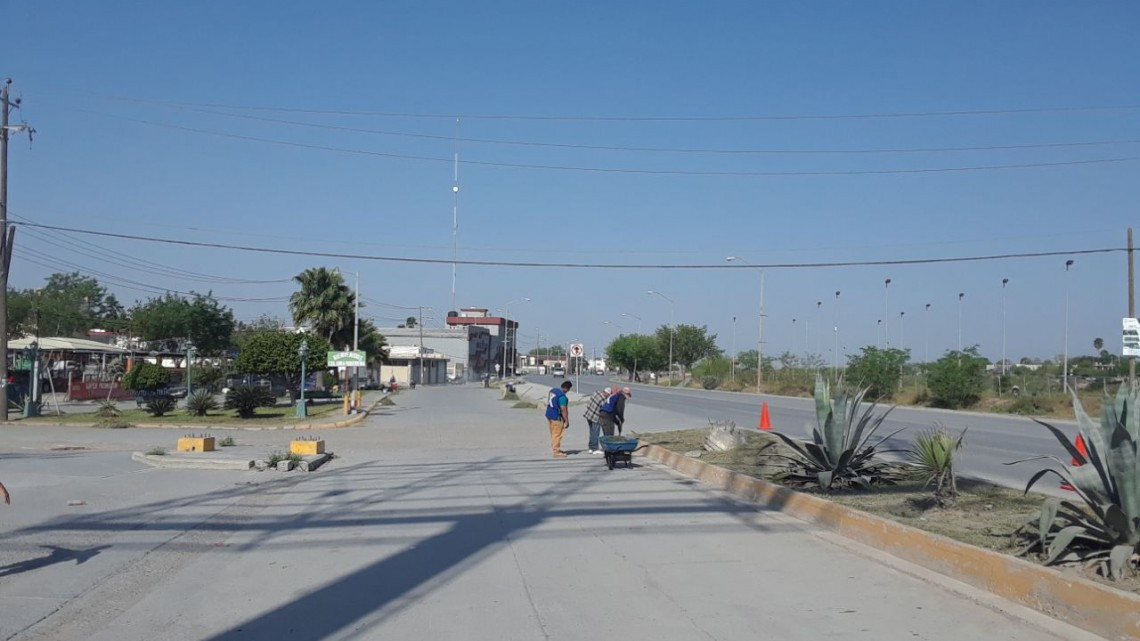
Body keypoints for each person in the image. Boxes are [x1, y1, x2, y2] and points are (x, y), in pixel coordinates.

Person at [545, 380, 573, 458]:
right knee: (557, 434)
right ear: (567, 388)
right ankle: (556, 451)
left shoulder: (553, 391)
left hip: (549, 414)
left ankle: (555, 448)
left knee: (553, 434)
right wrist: (566, 421)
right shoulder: (562, 397)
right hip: (556, 417)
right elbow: (563, 409)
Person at [583, 386, 615, 455]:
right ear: (607, 393)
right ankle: (594, 449)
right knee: (595, 433)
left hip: (588, 415)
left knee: (591, 432)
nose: (608, 396)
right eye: (609, 395)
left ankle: (591, 448)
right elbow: (604, 409)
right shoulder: (602, 399)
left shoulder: (596, 393)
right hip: (595, 417)